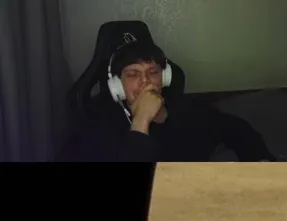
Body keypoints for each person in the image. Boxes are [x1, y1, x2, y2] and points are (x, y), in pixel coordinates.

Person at [58, 40, 274, 162]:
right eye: (133, 74)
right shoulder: (97, 126)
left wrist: (262, 160)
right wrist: (141, 121)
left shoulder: (189, 111)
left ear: (165, 78)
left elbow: (236, 129)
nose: (145, 81)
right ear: (117, 85)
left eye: (153, 72)